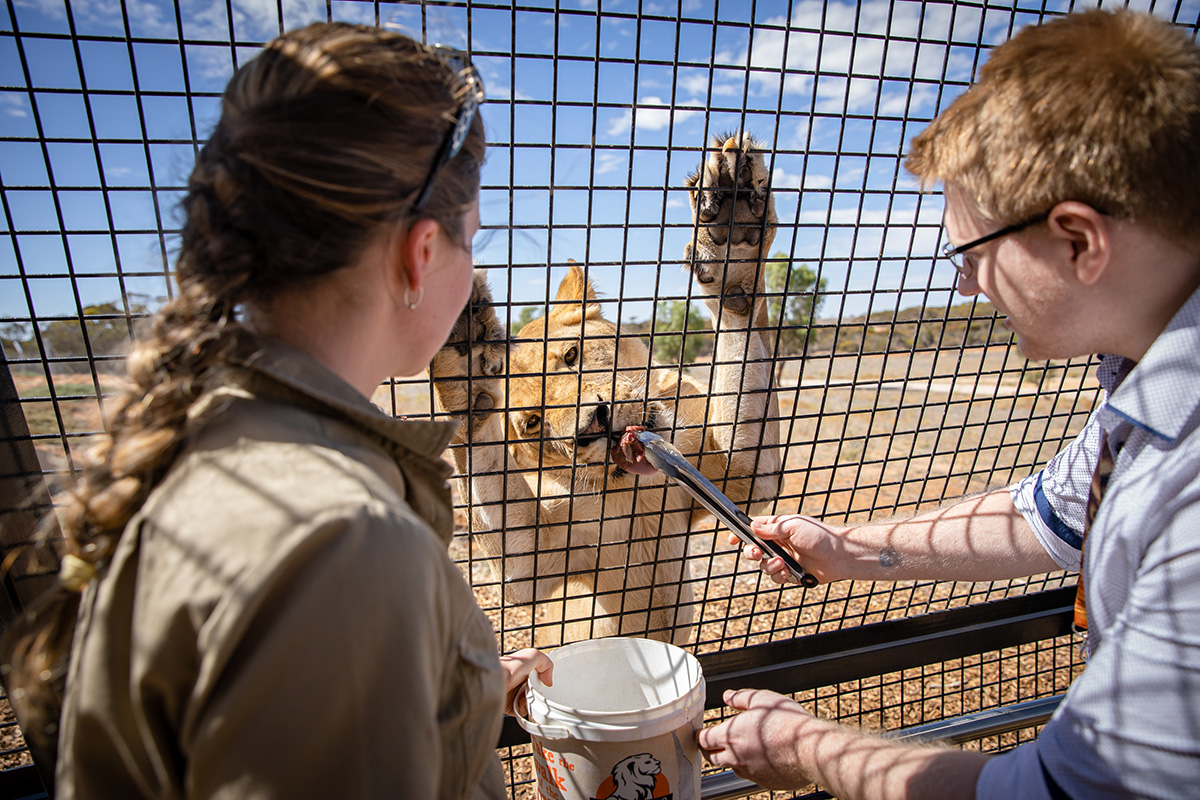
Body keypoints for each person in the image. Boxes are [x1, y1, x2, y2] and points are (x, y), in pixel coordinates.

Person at [0, 22, 551, 800]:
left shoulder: (204, 434)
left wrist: (450, 691)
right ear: (419, 255)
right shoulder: (345, 543)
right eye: (471, 242)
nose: (473, 269)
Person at [698, 9, 1200, 800]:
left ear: (1078, 241)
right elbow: (1050, 516)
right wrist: (845, 551)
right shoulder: (1143, 386)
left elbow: (1063, 794)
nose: (964, 284)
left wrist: (811, 751)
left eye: (971, 253)